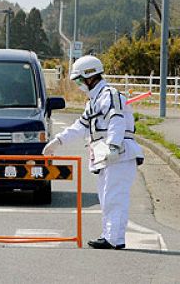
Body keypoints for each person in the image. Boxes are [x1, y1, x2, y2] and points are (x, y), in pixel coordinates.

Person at [42, 55, 144, 250]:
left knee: (115, 197)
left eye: (80, 80)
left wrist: (113, 146)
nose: (79, 85)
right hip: (106, 156)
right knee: (106, 197)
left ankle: (114, 238)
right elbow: (80, 126)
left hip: (119, 155)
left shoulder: (109, 95)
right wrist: (57, 142)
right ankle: (110, 236)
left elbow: (117, 120)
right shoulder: (94, 100)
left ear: (90, 77)